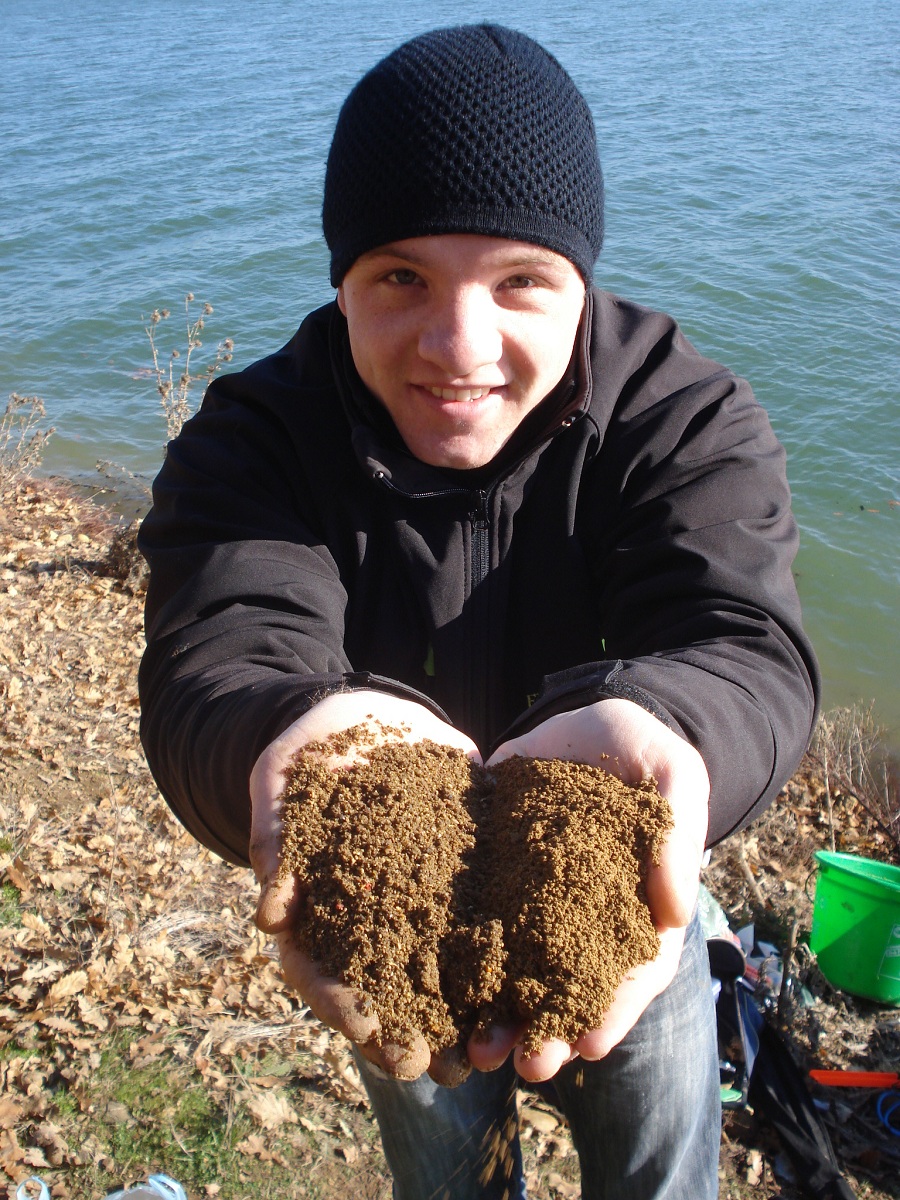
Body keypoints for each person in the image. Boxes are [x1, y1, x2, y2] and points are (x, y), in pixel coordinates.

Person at [138, 24, 819, 1200]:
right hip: (387, 917)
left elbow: (741, 641)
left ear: (581, 279)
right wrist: (288, 736)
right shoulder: (256, 440)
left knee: (660, 1168)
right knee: (451, 1176)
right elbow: (224, 648)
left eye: (520, 281)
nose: (460, 347)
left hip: (634, 885)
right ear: (342, 278)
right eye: (400, 276)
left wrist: (671, 730)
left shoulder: (683, 415)